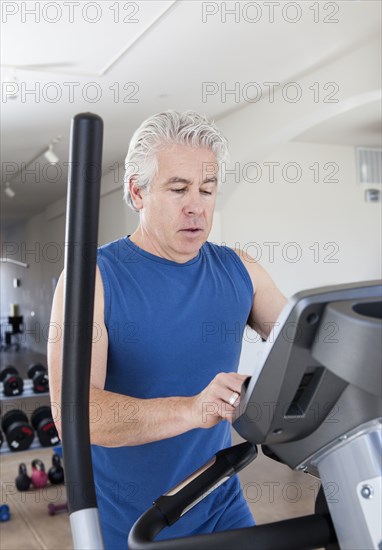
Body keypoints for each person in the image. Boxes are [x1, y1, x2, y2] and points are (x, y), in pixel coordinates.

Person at [48, 110, 287, 548]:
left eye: (207, 189)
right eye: (178, 188)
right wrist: (191, 409)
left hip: (218, 497)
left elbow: (306, 342)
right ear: (137, 192)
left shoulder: (241, 270)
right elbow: (75, 413)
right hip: (133, 522)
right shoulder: (92, 279)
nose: (196, 204)